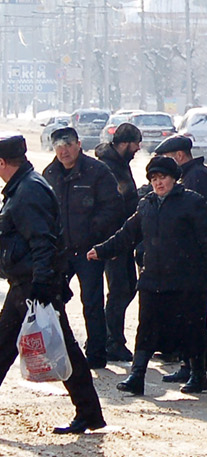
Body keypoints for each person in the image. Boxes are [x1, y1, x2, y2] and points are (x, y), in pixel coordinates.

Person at [89, 154, 207, 395]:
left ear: (174, 179)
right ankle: (137, 375)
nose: (158, 183)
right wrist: (101, 250)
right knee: (146, 328)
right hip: (154, 279)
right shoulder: (147, 204)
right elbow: (127, 234)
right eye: (154, 178)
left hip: (188, 280)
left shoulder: (192, 203)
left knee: (192, 329)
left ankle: (197, 375)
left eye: (163, 177)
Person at [0, 132, 106, 434]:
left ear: (3, 162)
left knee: (21, 347)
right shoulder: (24, 186)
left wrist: (42, 284)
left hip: (33, 285)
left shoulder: (28, 192)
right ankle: (89, 413)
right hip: (31, 283)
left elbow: (43, 242)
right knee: (61, 349)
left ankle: (89, 413)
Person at [41, 126, 128, 368]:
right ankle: (58, 348)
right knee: (52, 300)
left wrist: (92, 234)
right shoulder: (50, 173)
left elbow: (113, 207)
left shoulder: (97, 172)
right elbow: (43, 211)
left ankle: (97, 353)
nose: (64, 151)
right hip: (60, 251)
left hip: (89, 251)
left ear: (79, 145)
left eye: (68, 145)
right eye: (59, 146)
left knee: (92, 302)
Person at [153, 134, 207, 382]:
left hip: (192, 259)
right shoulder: (194, 175)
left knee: (192, 316)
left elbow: (200, 223)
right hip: (187, 258)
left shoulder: (195, 178)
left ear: (179, 157)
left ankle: (193, 367)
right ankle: (190, 364)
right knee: (184, 315)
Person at [95, 122, 143, 362]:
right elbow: (112, 207)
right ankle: (110, 340)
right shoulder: (109, 167)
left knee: (125, 288)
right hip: (114, 240)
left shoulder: (119, 163)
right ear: (124, 143)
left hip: (123, 240)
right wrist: (112, 243)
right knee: (120, 289)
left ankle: (106, 337)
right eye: (136, 143)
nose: (138, 148)